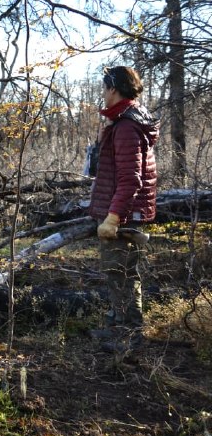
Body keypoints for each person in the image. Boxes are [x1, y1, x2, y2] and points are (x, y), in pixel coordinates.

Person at [88, 65, 159, 351]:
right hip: (124, 211)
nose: (103, 95)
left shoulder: (127, 126)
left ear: (114, 89)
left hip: (125, 215)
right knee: (120, 271)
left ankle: (127, 337)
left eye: (105, 89)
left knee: (122, 272)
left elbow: (131, 178)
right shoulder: (126, 122)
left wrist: (114, 217)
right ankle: (119, 325)